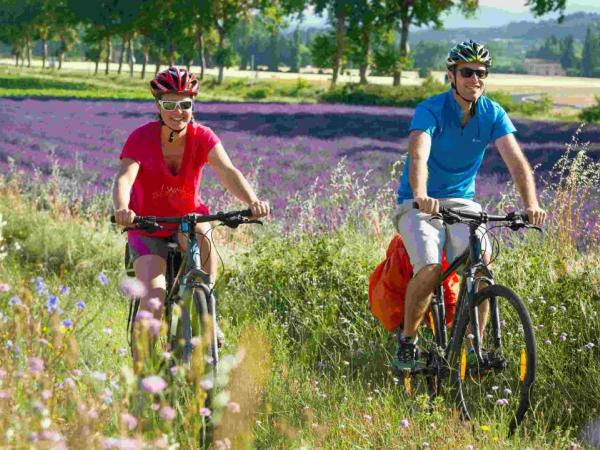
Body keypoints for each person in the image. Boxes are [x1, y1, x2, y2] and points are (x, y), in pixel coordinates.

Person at [391, 40, 546, 371]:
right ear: (451, 75)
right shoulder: (430, 110)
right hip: (418, 203)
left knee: (482, 265)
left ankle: (474, 349)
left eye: (481, 73)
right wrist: (421, 194)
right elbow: (418, 154)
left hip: (462, 202)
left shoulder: (492, 113)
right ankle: (407, 342)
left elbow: (516, 161)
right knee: (431, 268)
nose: (475, 79)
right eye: (467, 72)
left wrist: (531, 203)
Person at [112, 66, 269, 369]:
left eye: (185, 104)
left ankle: (206, 311)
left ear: (192, 106)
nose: (177, 111)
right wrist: (123, 208)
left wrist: (252, 201)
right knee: (154, 293)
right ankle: (142, 371)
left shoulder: (203, 136)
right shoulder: (140, 138)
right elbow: (125, 177)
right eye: (169, 104)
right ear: (158, 105)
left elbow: (227, 171)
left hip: (187, 218)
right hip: (146, 224)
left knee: (203, 232)